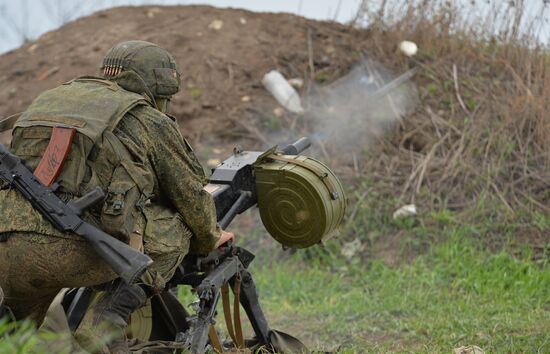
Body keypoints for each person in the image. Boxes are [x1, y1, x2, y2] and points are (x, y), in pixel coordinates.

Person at [0, 40, 234, 352]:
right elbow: (190, 194)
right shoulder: (146, 118)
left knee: (15, 333)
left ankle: (13, 334)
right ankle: (103, 321)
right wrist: (209, 237)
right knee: (178, 228)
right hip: (74, 250)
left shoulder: (48, 101)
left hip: (8, 247)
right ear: (154, 87)